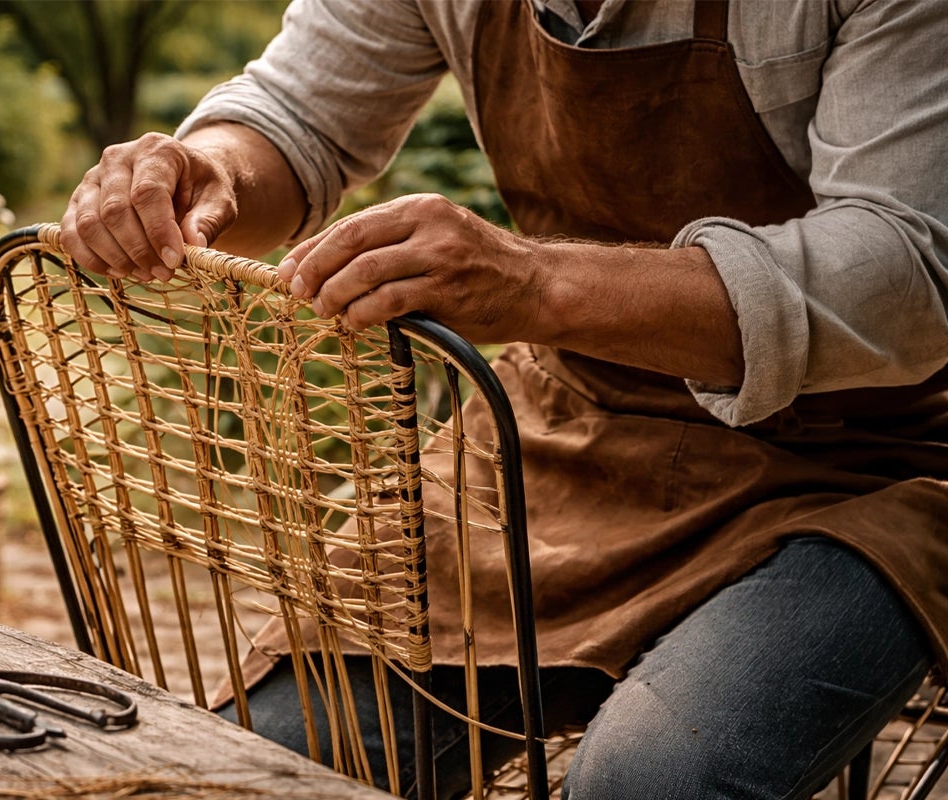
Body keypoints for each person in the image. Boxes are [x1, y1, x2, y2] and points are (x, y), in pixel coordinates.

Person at [61, 0, 948, 797]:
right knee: (265, 762)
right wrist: (210, 167)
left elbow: (908, 272)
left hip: (865, 465)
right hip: (568, 430)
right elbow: (297, 115)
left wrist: (536, 285)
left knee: (648, 781)